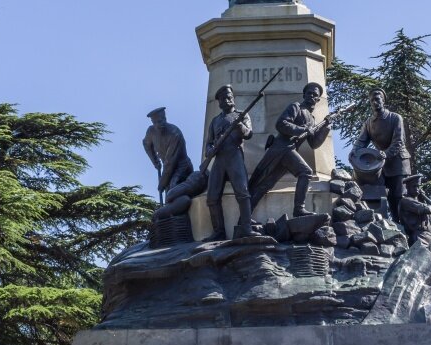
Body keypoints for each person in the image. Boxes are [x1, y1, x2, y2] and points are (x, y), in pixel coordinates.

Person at [249, 82, 331, 217]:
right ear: (304, 95)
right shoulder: (296, 107)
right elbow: (281, 124)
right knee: (305, 172)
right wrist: (303, 130)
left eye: (315, 95)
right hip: (282, 147)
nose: (311, 96)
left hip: (288, 152)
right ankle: (299, 209)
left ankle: (244, 220)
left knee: (265, 185)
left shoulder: (312, 119)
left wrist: (325, 128)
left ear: (318, 99)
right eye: (309, 93)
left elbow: (314, 143)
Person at [203, 85, 254, 241]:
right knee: (212, 197)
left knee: (243, 192)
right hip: (219, 159)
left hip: (234, 155)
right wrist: (211, 149)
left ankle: (246, 227)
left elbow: (249, 134)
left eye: (229, 97)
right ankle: (219, 231)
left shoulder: (242, 115)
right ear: (219, 102)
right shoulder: (215, 121)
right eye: (223, 98)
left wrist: (239, 126)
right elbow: (208, 144)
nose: (227, 100)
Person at [354, 88, 411, 220]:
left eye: (377, 99)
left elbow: (399, 141)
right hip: (381, 162)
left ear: (383, 100)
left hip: (398, 161)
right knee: (385, 194)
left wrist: (385, 154)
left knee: (399, 195)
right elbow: (361, 141)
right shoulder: (369, 123)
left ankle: (404, 227)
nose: (375, 102)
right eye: (372, 100)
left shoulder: (395, 118)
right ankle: (392, 223)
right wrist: (354, 152)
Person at [142, 107, 193, 197]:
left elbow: (170, 161)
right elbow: (146, 144)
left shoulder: (174, 133)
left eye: (160, 121)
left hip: (182, 167)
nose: (158, 124)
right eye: (155, 122)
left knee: (173, 189)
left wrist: (162, 183)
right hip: (168, 169)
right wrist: (155, 161)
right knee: (169, 192)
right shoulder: (151, 131)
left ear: (165, 119)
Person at [398, 174, 431, 248]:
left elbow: (429, 212)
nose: (417, 188)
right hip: (418, 235)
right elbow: (427, 209)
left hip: (426, 236)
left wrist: (423, 197)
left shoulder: (418, 201)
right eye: (414, 186)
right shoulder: (406, 201)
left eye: (418, 186)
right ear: (408, 187)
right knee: (420, 258)